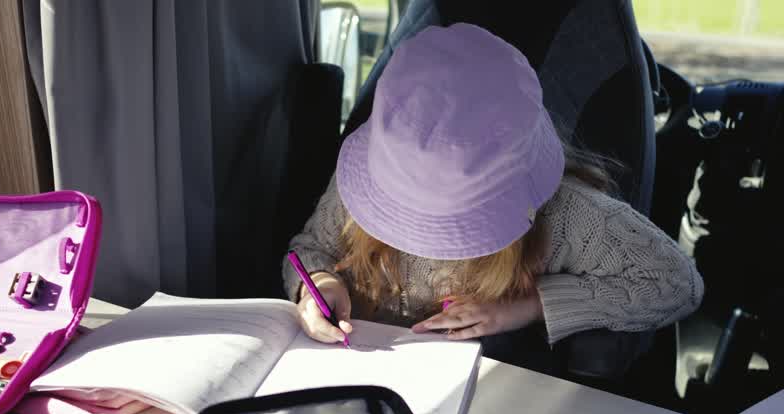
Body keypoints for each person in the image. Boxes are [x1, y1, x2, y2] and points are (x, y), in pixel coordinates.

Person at [281, 23, 703, 371]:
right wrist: (319, 284)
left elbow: (676, 284)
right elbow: (311, 247)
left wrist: (527, 306)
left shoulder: (567, 215)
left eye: (452, 225)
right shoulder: (364, 178)